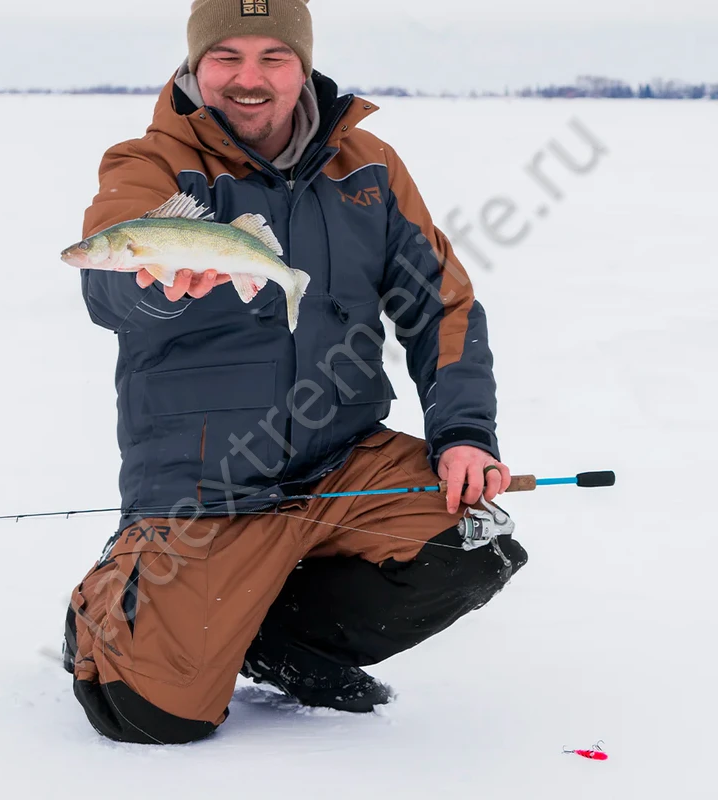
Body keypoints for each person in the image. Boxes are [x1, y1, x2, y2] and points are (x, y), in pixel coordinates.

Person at [64, 0, 527, 745]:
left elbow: (439, 302)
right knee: (150, 716)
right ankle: (106, 612)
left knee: (474, 538)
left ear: (302, 66)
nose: (249, 78)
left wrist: (465, 433)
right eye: (226, 57)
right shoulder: (148, 162)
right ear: (195, 65)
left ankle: (276, 641)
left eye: (273, 57)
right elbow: (106, 284)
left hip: (342, 461)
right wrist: (153, 286)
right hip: (209, 482)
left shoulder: (368, 166)